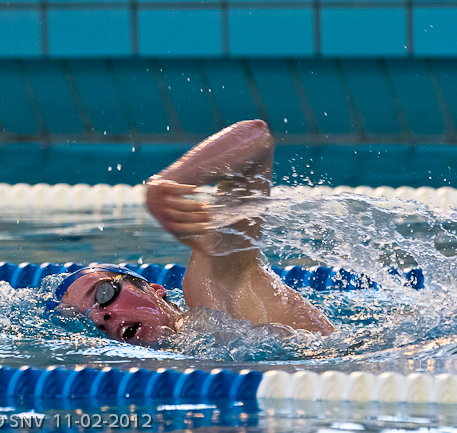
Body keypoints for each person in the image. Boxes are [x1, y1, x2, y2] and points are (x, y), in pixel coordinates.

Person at [57, 120, 336, 345]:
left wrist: (167, 183)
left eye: (104, 294)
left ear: (155, 289)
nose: (100, 317)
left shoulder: (213, 291)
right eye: (87, 320)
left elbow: (256, 137)